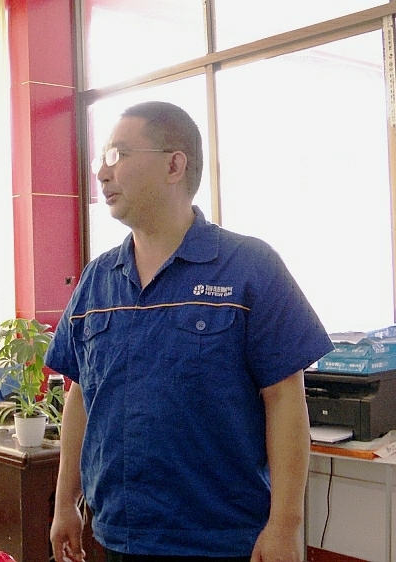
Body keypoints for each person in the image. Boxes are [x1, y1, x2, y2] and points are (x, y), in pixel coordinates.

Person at [46, 101, 333, 562]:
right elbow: (80, 396)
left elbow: (284, 400)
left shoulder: (248, 267)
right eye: (102, 157)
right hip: (118, 534)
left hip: (222, 539)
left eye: (119, 154)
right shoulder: (98, 280)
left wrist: (285, 525)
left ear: (174, 165)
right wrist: (66, 503)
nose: (101, 172)